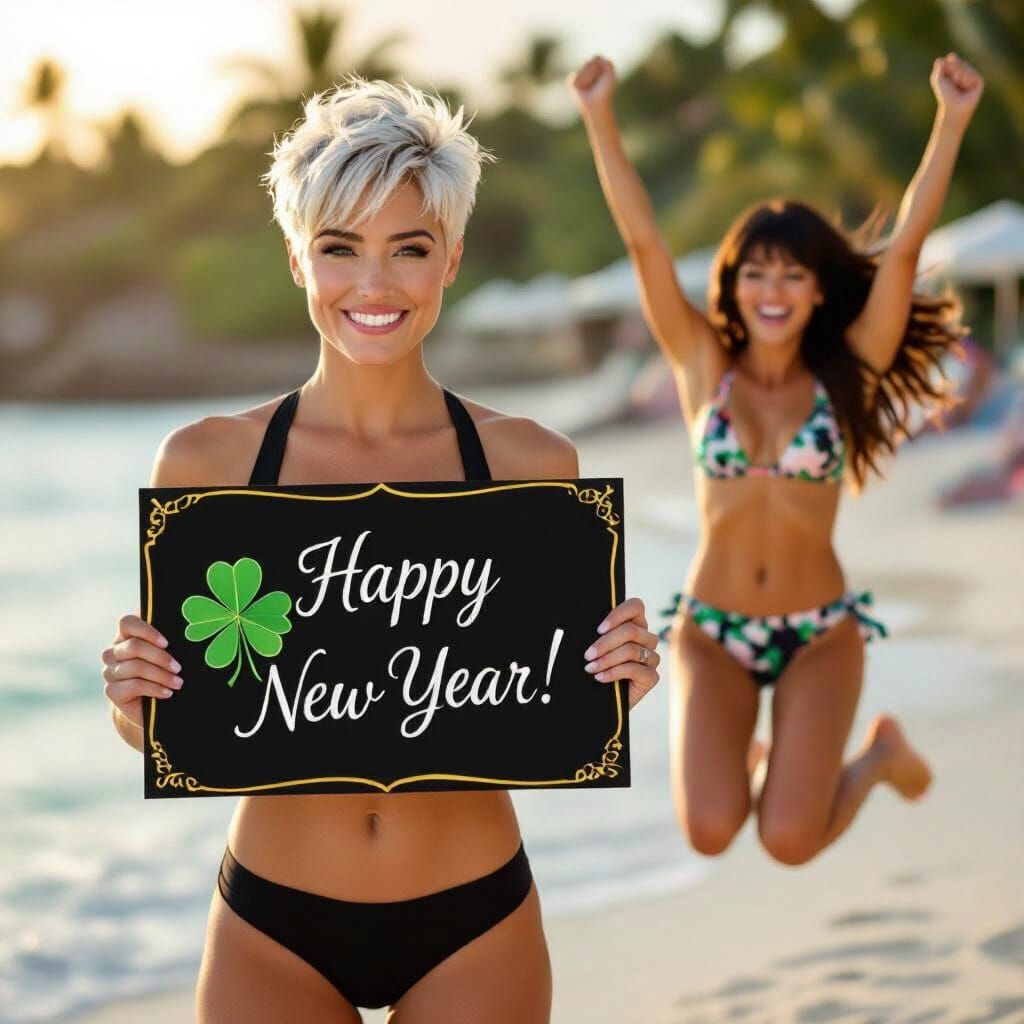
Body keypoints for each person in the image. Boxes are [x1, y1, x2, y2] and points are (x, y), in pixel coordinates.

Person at [101, 78, 660, 1023]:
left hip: (475, 920)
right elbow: (176, 727)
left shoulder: (530, 463)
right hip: (273, 924)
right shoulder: (208, 463)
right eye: (339, 249)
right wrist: (132, 698)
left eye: (409, 248)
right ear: (296, 258)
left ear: (452, 258)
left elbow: (552, 703)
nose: (373, 284)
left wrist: (615, 678)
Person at [569, 52, 983, 866]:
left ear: (818, 291)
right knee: (711, 831)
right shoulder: (702, 369)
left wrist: (952, 117)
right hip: (714, 633)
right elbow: (644, 244)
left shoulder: (848, 374)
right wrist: (597, 116)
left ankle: (875, 759)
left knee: (790, 840)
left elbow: (902, 252)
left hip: (819, 634)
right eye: (756, 270)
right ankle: (761, 759)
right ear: (734, 281)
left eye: (792, 274)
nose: (772, 288)